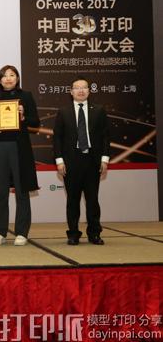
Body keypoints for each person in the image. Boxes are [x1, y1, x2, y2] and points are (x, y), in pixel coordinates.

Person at [0, 65, 40, 246]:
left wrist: (23, 117)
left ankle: (22, 232)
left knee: (21, 190)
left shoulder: (26, 97)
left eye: (12, 75)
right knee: (1, 191)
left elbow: (36, 122)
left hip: (19, 148)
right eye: (4, 76)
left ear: (17, 78)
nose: (8, 78)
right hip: (0, 147)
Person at [53, 76, 110, 245]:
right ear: (71, 92)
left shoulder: (99, 110)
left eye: (84, 87)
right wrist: (59, 161)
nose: (80, 90)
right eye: (77, 88)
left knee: (92, 200)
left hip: (93, 161)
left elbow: (106, 136)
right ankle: (73, 233)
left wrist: (104, 159)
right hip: (71, 161)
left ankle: (94, 233)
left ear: (89, 91)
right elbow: (57, 138)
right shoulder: (63, 112)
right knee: (72, 200)